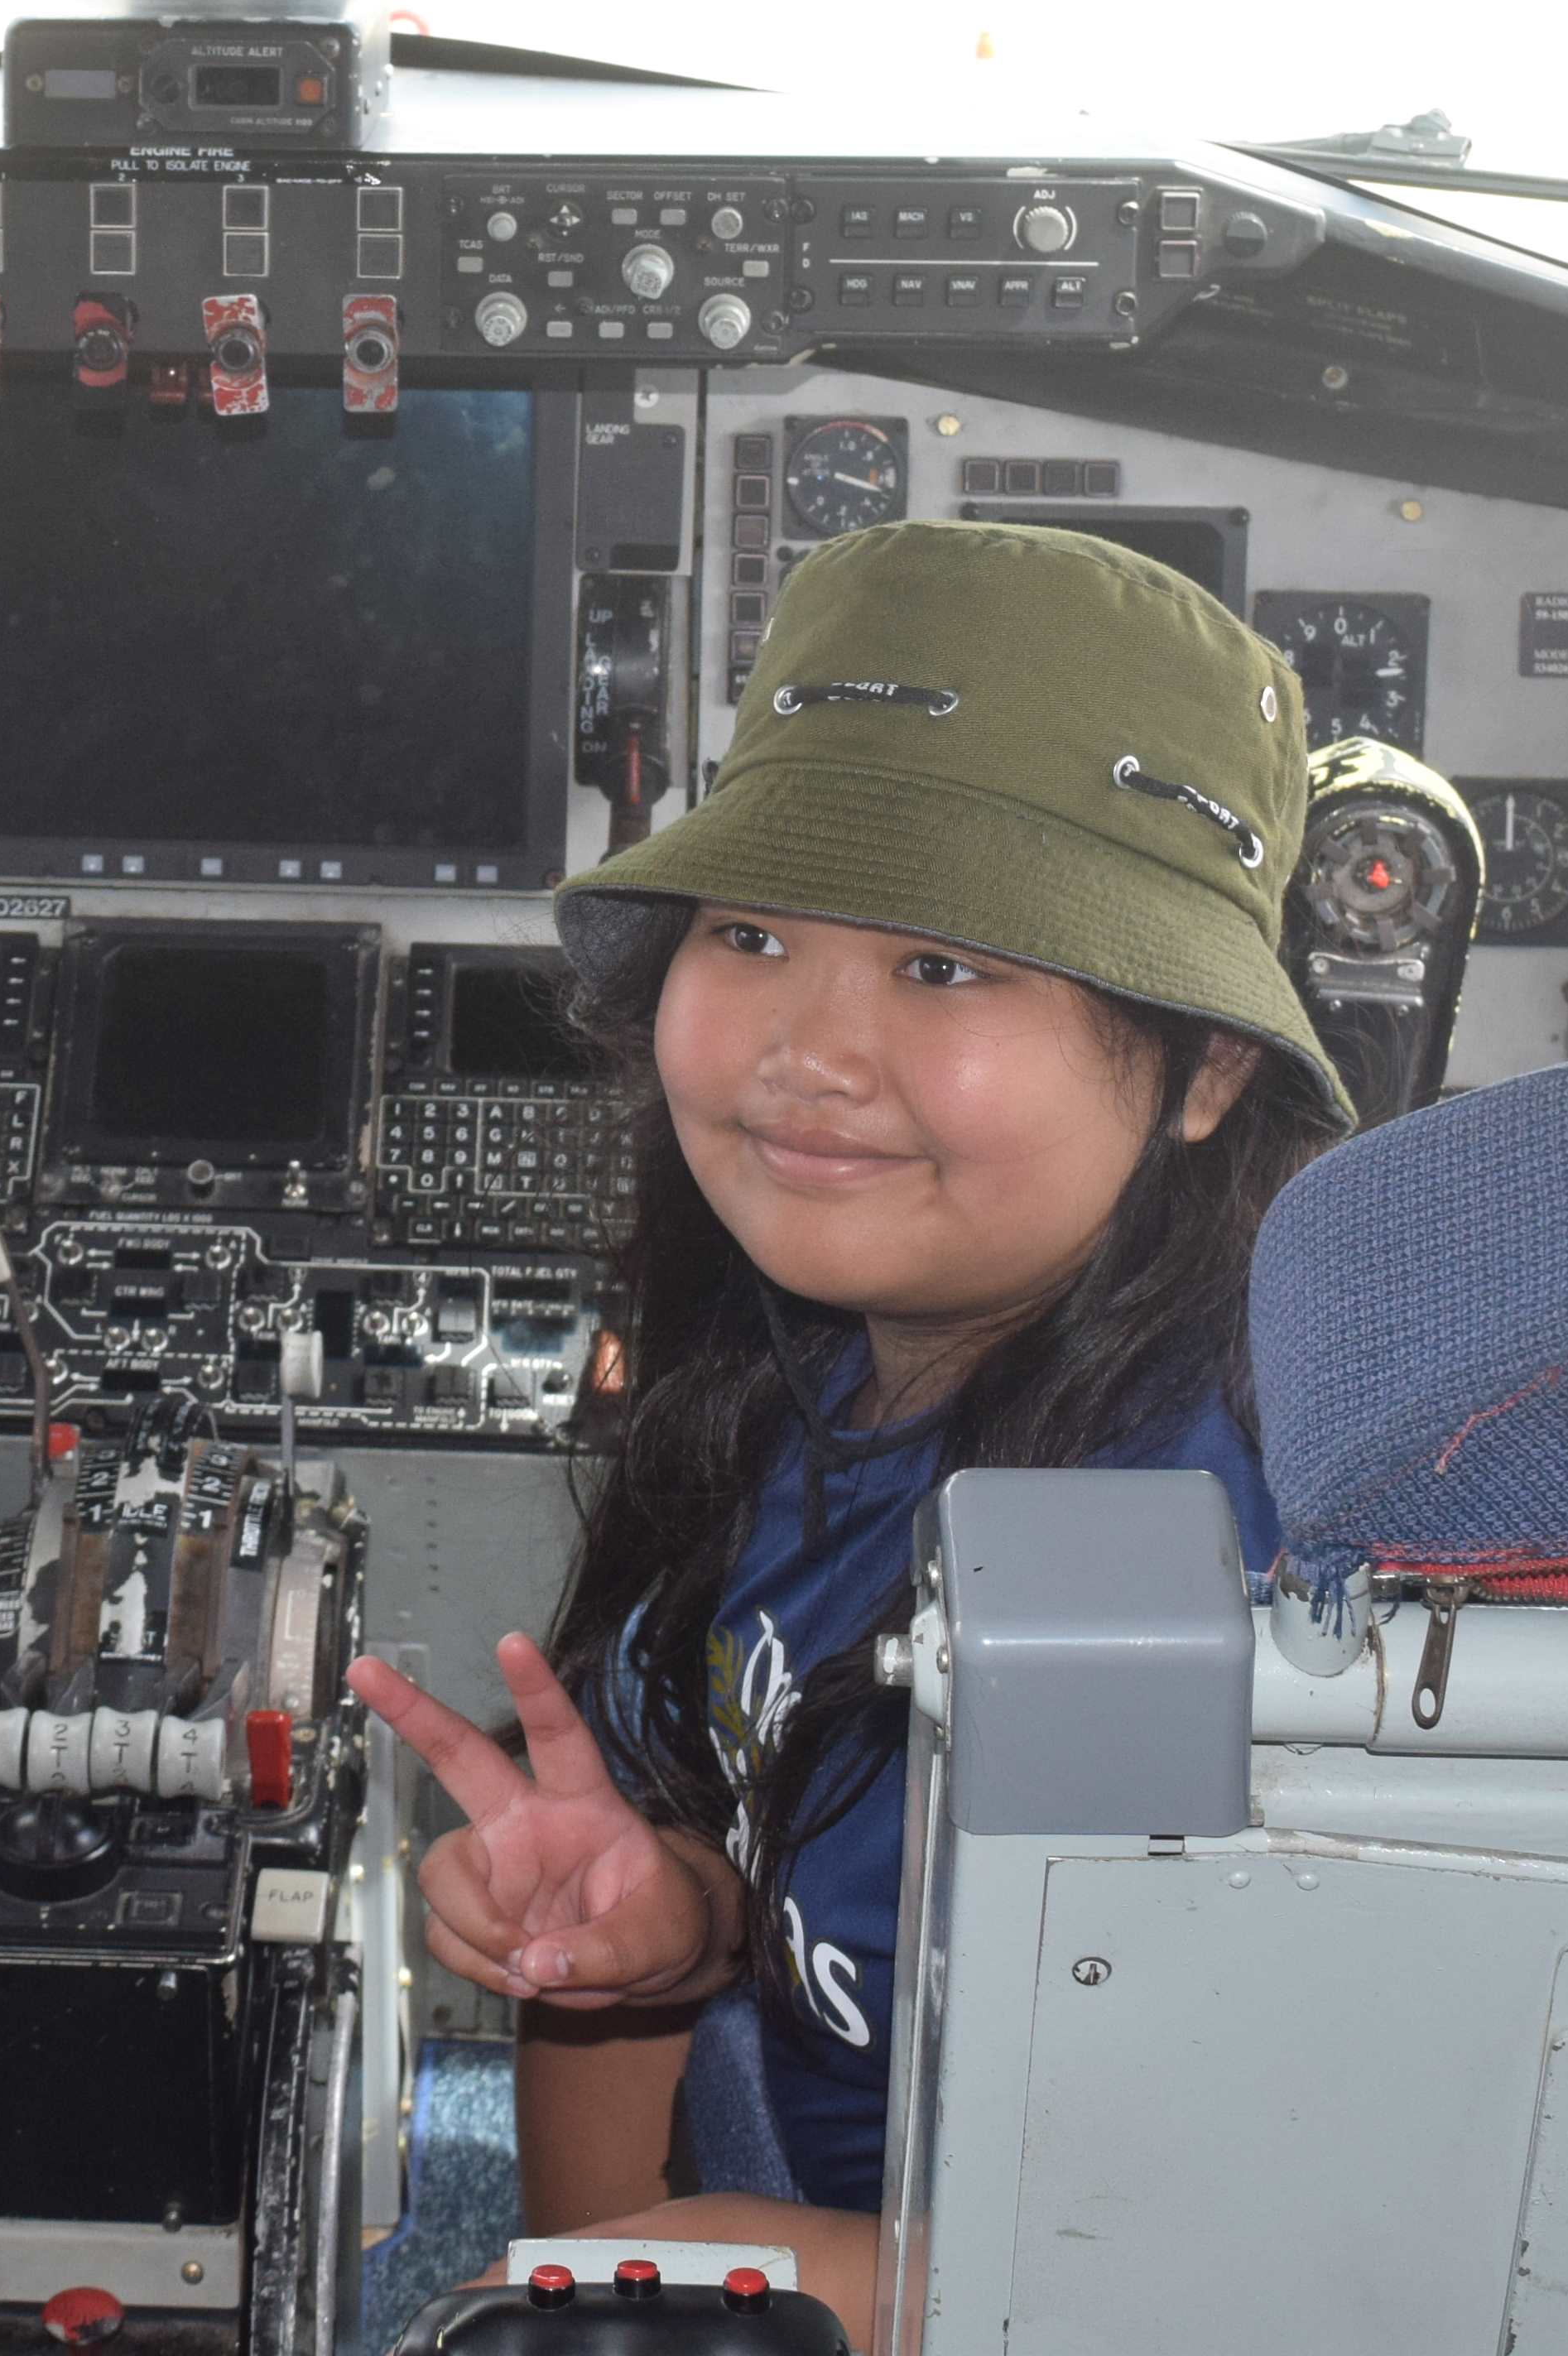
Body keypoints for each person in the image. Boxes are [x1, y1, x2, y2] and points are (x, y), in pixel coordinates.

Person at [345, 522, 1355, 2323]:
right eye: (749, 931)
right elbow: (785, 1862)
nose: (805, 1048)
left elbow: (1268, 2255)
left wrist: (661, 2282)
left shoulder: (1217, 1560)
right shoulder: (827, 1356)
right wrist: (665, 1909)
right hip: (858, 2162)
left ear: (1205, 1068)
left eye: (945, 967)